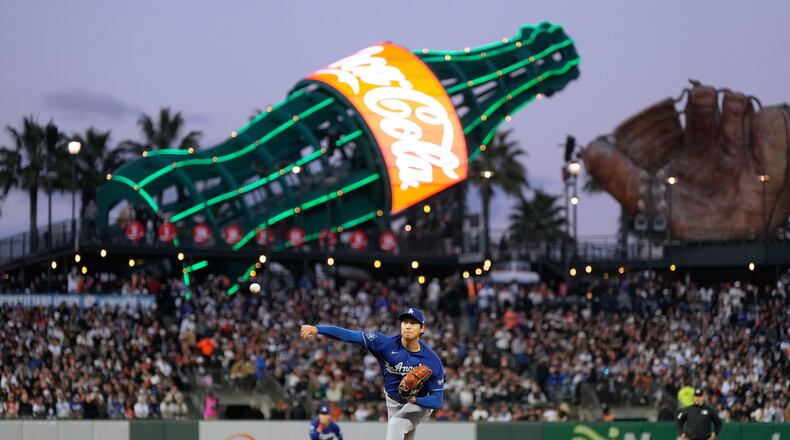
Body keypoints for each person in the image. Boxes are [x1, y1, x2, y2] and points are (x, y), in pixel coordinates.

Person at [300, 307, 444, 440]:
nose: (407, 326)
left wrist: (414, 400)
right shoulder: (384, 344)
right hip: (392, 400)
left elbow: (437, 400)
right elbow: (350, 335)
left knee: (395, 425)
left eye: (413, 323)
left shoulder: (431, 361)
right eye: (405, 321)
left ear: (422, 328)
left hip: (419, 402)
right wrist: (317, 329)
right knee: (402, 434)